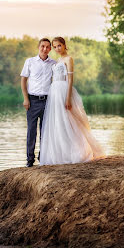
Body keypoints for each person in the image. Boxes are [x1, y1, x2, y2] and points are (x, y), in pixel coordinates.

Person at [39, 37, 105, 165]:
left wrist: (68, 98)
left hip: (63, 90)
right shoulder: (57, 60)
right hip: (54, 92)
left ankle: (78, 151)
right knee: (58, 122)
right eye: (55, 47)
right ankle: (61, 154)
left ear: (64, 45)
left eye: (59, 46)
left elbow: (70, 79)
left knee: (69, 120)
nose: (57, 49)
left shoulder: (69, 59)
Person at [20, 38, 56, 167]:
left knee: (45, 132)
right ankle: (30, 160)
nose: (45, 49)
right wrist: (26, 98)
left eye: (47, 47)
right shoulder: (29, 62)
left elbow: (57, 82)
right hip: (32, 101)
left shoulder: (54, 64)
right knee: (31, 131)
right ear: (38, 47)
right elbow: (23, 80)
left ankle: (43, 158)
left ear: (50, 49)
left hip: (47, 101)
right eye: (42, 46)